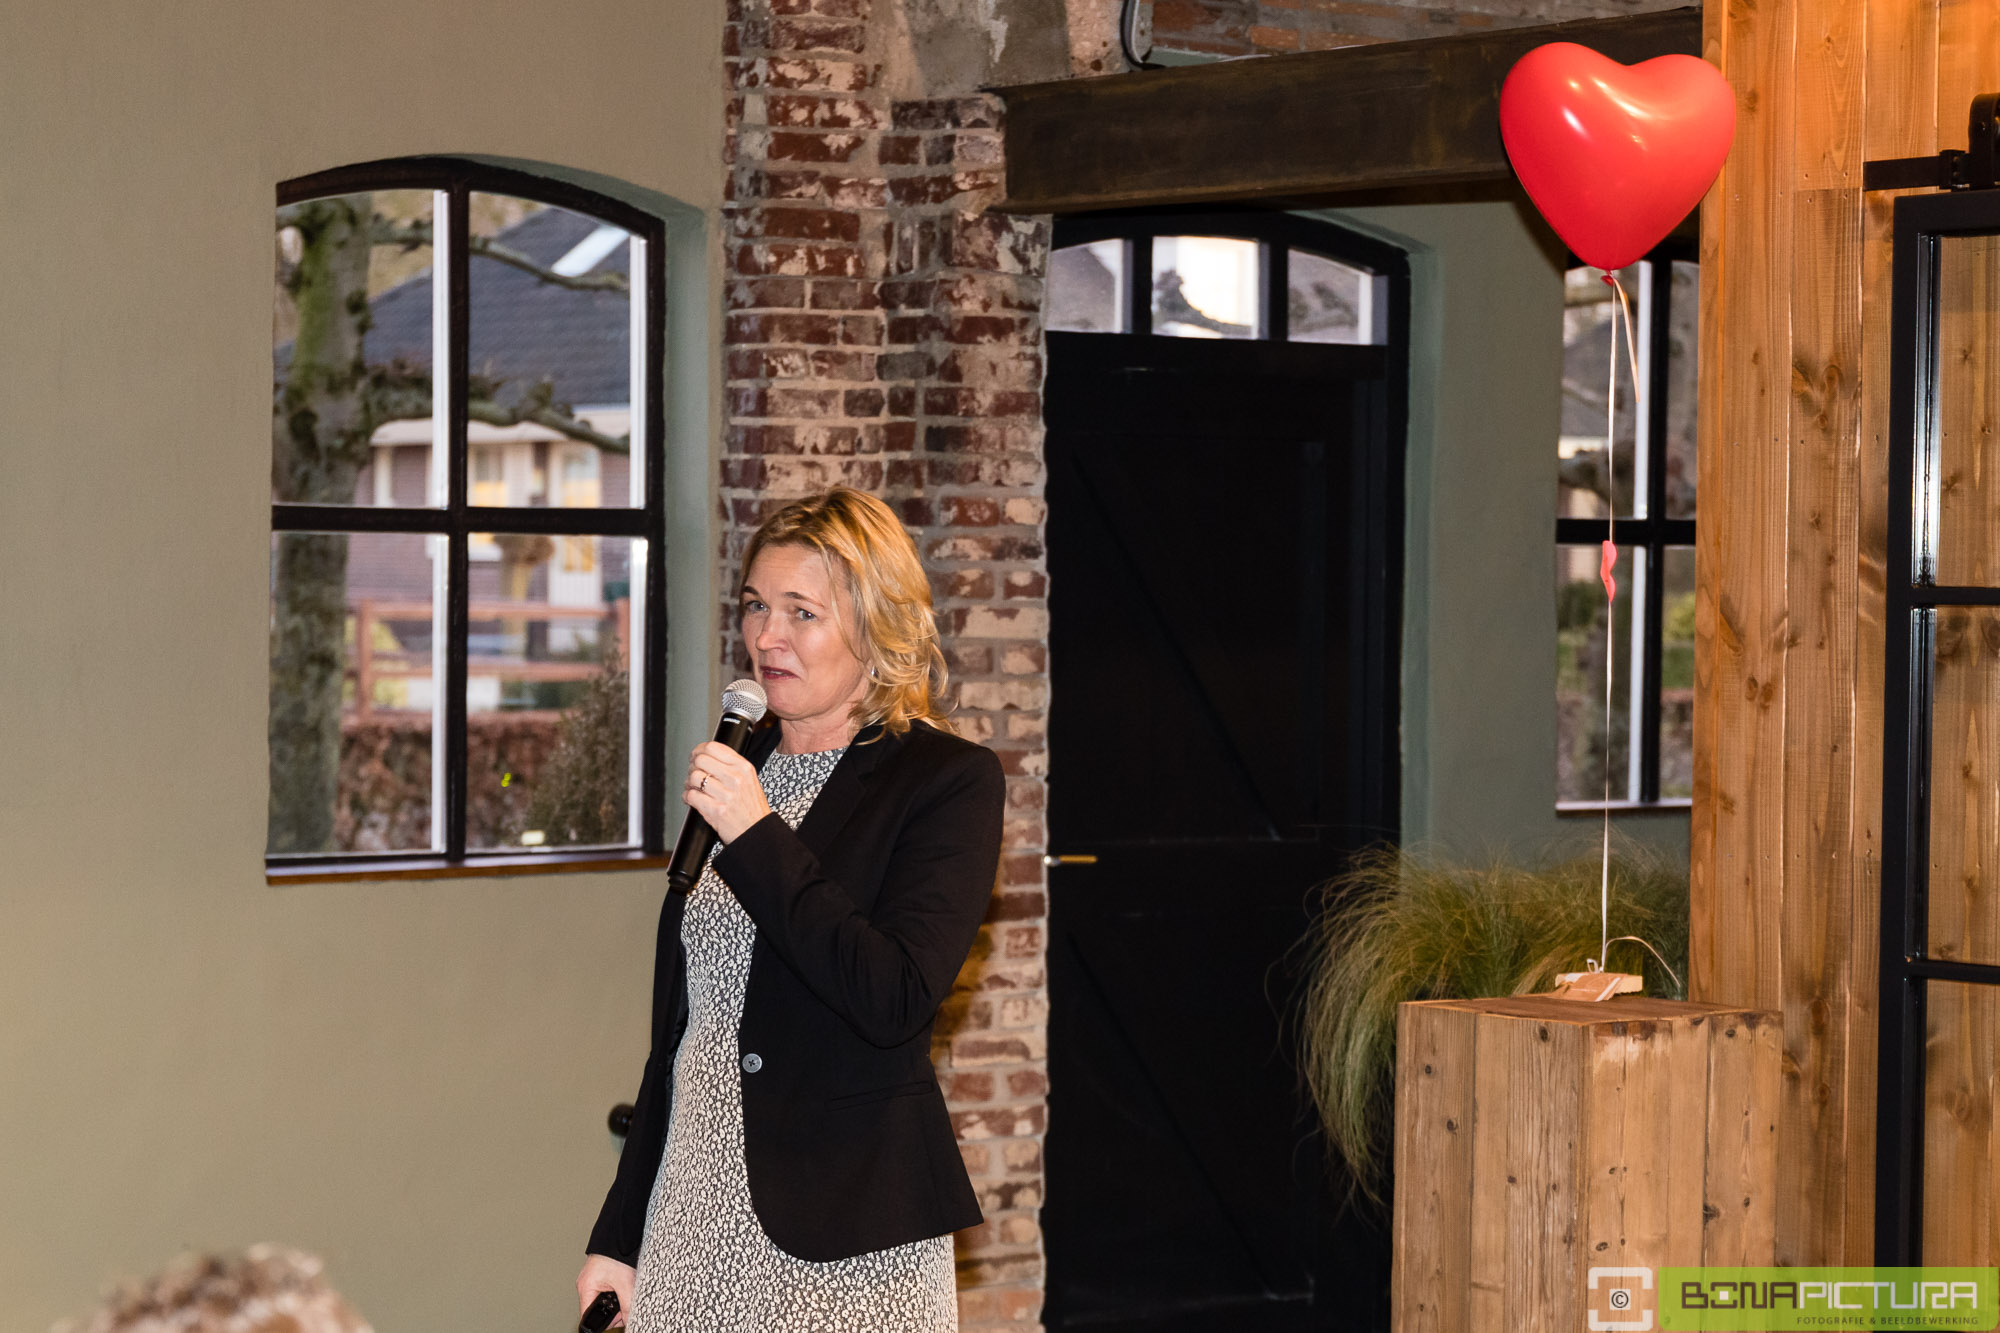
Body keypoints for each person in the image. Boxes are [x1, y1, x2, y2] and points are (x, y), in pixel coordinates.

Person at [576, 488, 1006, 1331]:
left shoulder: (946, 782)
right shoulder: (743, 761)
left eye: (801, 612)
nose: (766, 636)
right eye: (756, 606)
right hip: (692, 1215)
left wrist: (757, 832)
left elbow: (891, 996)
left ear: (877, 628)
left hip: (845, 1237)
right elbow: (682, 1035)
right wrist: (620, 1235)